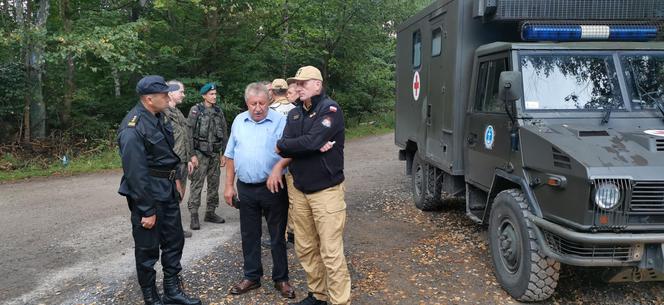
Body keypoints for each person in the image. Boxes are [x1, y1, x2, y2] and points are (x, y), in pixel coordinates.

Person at [117, 75, 201, 305]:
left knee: (174, 241)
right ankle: (151, 297)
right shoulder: (133, 126)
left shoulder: (157, 117)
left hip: (167, 189)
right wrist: (146, 210)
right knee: (147, 250)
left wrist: (174, 179)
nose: (168, 97)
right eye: (164, 94)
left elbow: (164, 157)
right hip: (149, 195)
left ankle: (173, 291)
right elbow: (136, 173)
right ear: (148, 98)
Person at [271, 66, 350, 305]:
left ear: (318, 84)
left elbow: (309, 140)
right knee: (305, 247)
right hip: (300, 190)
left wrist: (306, 144)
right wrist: (308, 145)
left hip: (326, 191)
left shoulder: (330, 109)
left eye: (303, 83)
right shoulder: (295, 114)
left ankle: (339, 301)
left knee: (330, 252)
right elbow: (281, 145)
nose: (298, 87)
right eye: (296, 83)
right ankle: (318, 295)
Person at [223, 82, 295, 299]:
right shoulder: (238, 121)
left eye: (262, 103)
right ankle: (252, 276)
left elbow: (292, 151)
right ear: (247, 103)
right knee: (249, 234)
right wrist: (228, 186)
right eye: (253, 104)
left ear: (269, 101)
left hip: (273, 187)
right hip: (245, 188)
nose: (258, 108)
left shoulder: (281, 121)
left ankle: (281, 279)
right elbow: (231, 155)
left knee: (277, 235)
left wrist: (279, 167)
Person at [187, 83, 228, 230]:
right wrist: (192, 155)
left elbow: (224, 133)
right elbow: (189, 134)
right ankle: (194, 214)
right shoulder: (196, 110)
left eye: (215, 94)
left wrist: (224, 153)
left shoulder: (218, 111)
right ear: (204, 96)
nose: (214, 96)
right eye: (211, 94)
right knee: (197, 184)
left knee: (214, 183)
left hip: (215, 154)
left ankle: (210, 212)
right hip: (200, 153)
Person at [163, 80, 196, 238]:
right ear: (170, 92)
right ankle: (169, 230)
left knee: (178, 196)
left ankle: (174, 228)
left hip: (181, 162)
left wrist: (189, 158)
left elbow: (185, 137)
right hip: (170, 164)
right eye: (181, 91)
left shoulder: (178, 113)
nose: (183, 94)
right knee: (169, 197)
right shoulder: (163, 114)